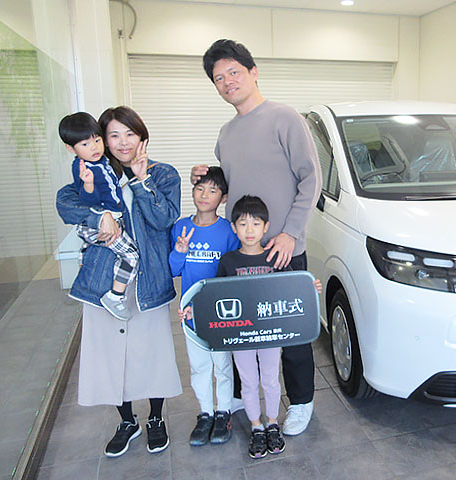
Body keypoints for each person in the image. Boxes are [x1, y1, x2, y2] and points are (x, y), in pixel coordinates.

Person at [192, 38, 322, 436]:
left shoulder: (285, 118)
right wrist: (207, 176)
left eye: (233, 72)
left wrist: (290, 234)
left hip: (282, 250)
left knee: (291, 334)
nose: (227, 81)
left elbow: (311, 179)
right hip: (242, 252)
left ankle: (300, 402)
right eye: (219, 78)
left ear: (253, 72)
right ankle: (240, 397)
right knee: (240, 327)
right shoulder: (226, 133)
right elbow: (235, 183)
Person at [56, 106, 182, 457]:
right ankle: (127, 421)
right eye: (113, 135)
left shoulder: (163, 174)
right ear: (103, 140)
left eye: (130, 134)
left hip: (147, 281)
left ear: (142, 137)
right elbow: (65, 202)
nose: (123, 142)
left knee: (152, 354)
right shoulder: (94, 173)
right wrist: (100, 215)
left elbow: (164, 219)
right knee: (112, 357)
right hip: (103, 281)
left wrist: (141, 182)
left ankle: (155, 418)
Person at [189, 195, 321, 458]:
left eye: (256, 224)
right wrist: (196, 309)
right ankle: (256, 427)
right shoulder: (228, 261)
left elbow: (292, 287)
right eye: (242, 224)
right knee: (248, 382)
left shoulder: (275, 258)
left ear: (266, 227)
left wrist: (310, 288)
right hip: (241, 338)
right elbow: (217, 295)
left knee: (270, 380)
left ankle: (272, 423)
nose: (249, 230)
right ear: (234, 227)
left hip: (270, 336)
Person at [169, 166, 243, 446]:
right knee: (199, 366)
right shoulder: (180, 227)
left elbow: (233, 271)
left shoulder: (228, 231)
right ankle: (205, 414)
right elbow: (173, 269)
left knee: (222, 365)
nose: (204, 195)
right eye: (200, 188)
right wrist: (180, 251)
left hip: (220, 312)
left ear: (223, 199)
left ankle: (223, 412)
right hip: (191, 313)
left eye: (212, 190)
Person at [58, 112, 139, 321]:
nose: (93, 147)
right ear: (71, 148)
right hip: (98, 224)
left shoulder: (102, 161)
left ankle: (84, 257)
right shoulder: (83, 168)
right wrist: (88, 185)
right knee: (131, 256)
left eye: (96, 140)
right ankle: (115, 296)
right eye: (85, 144)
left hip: (111, 219)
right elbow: (86, 200)